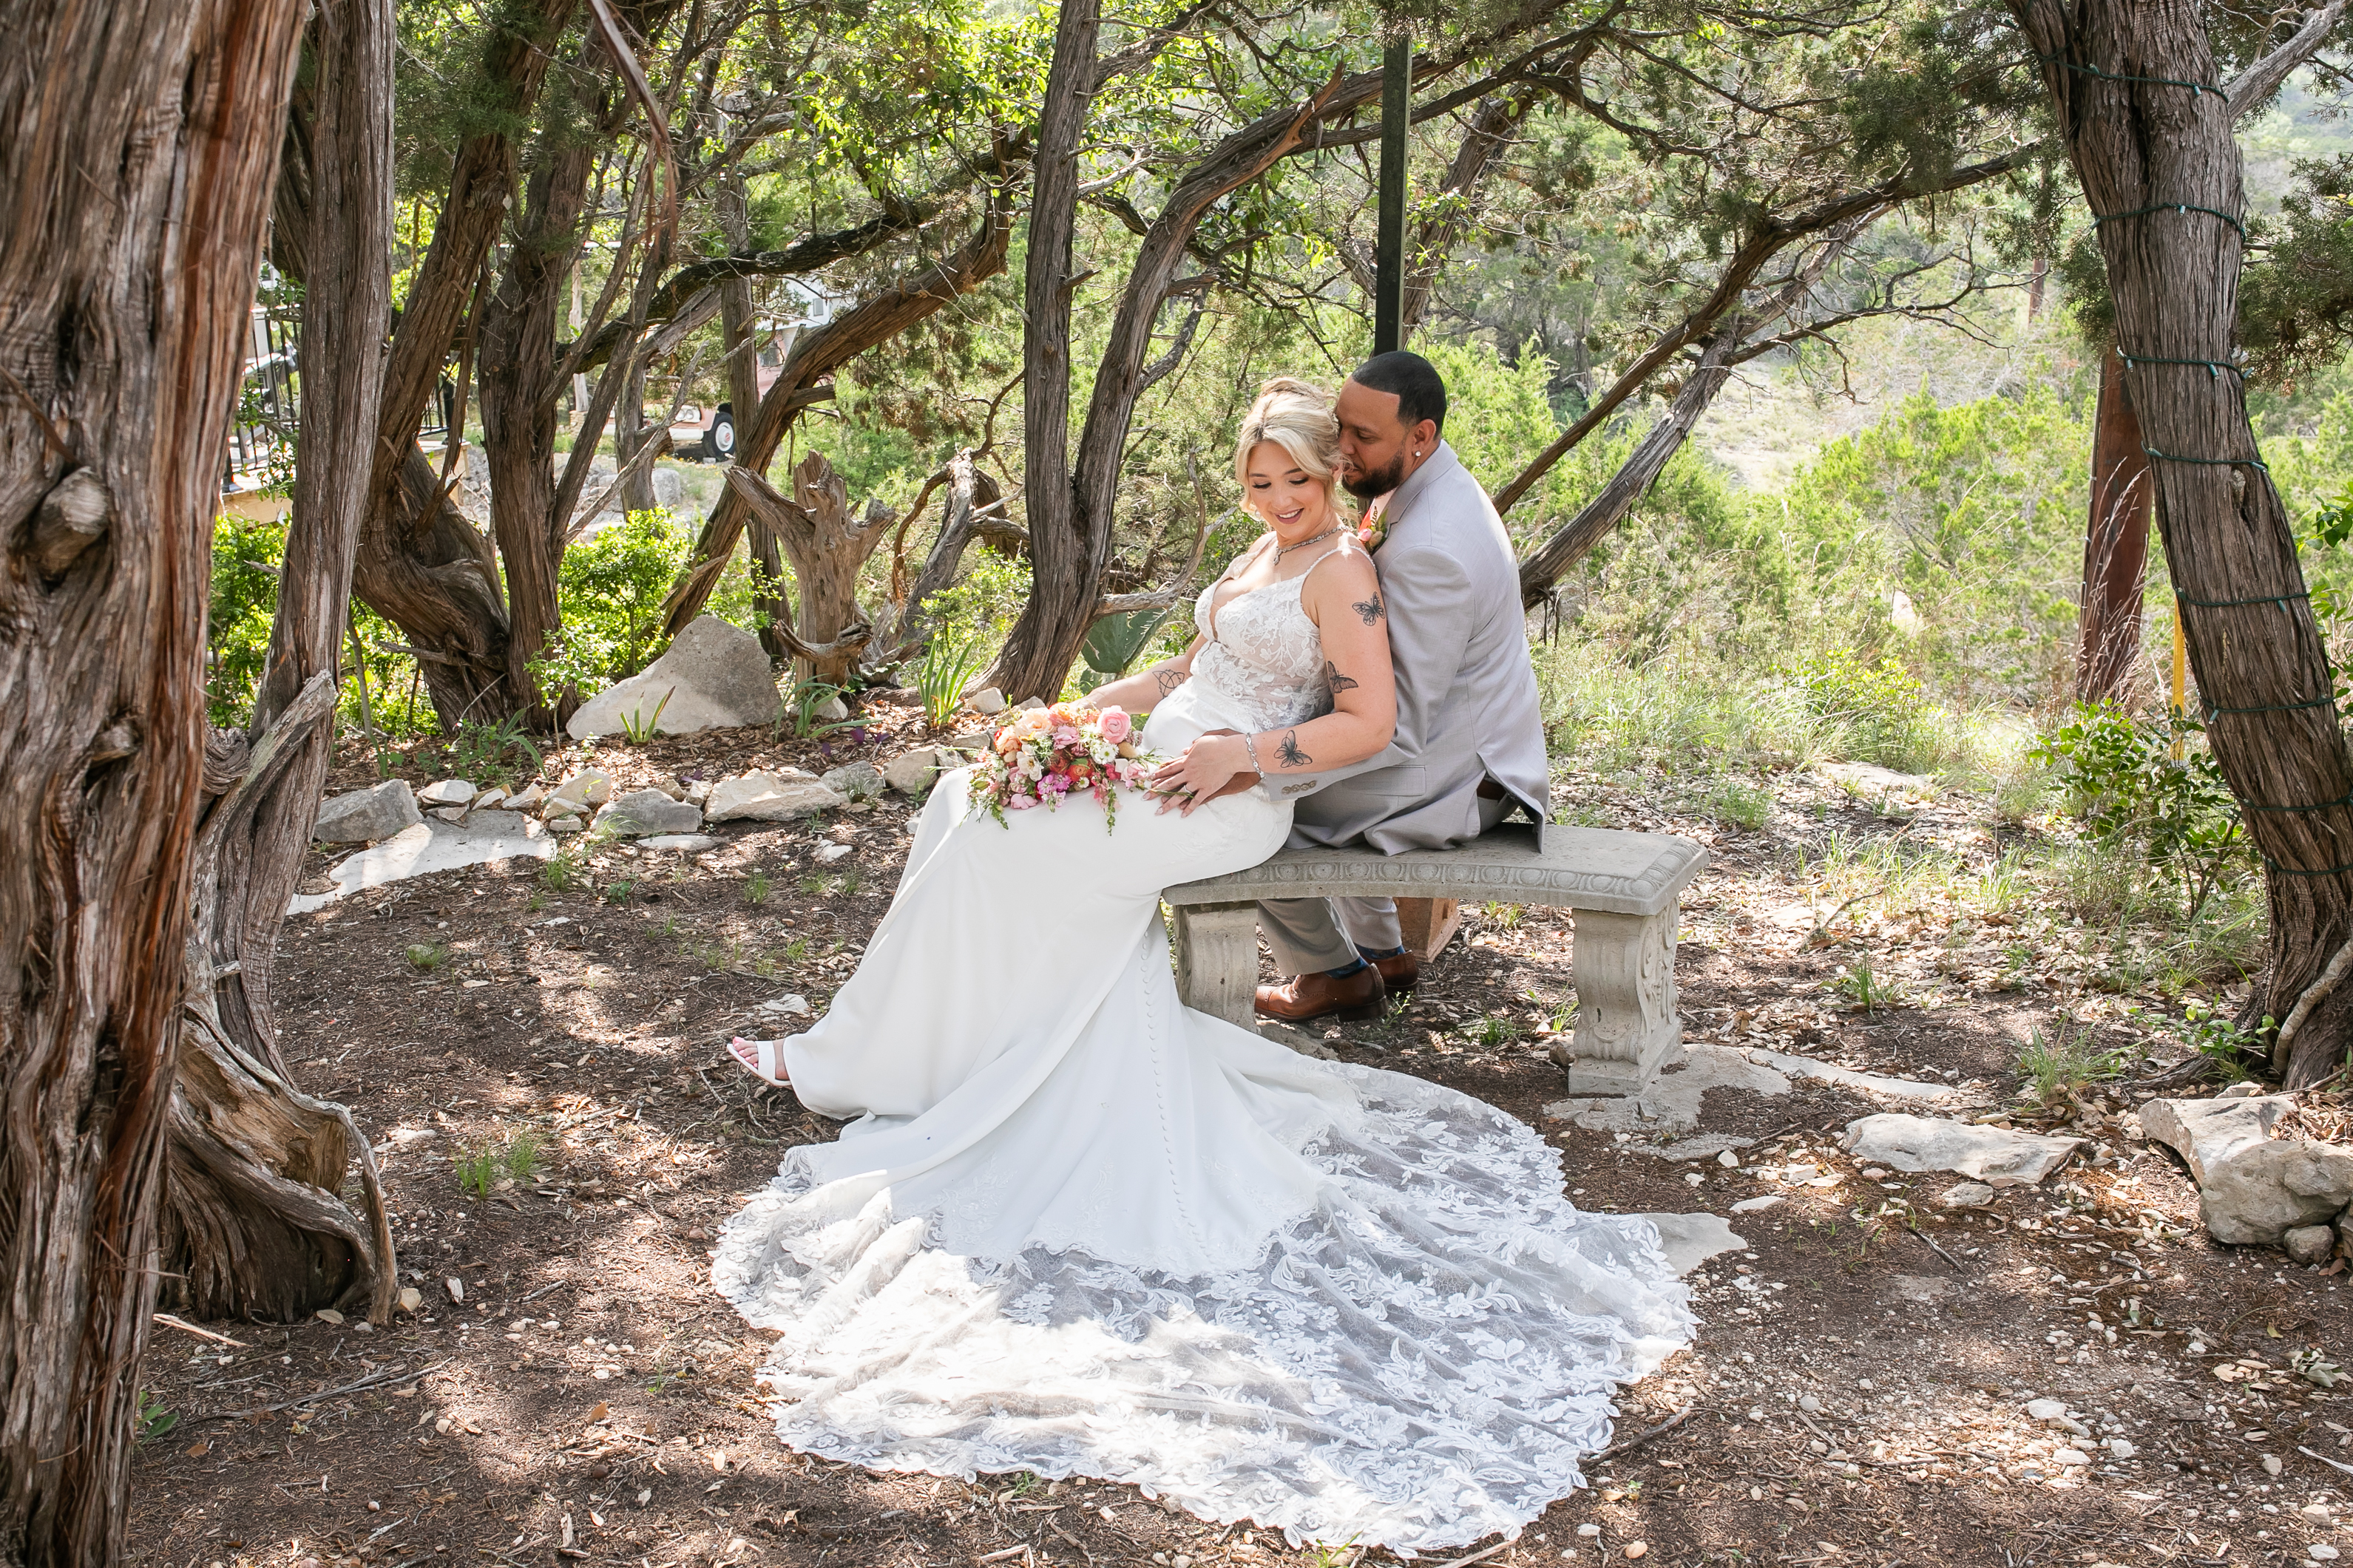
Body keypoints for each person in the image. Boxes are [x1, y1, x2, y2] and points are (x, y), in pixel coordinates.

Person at [718, 378, 1690, 1553]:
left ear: (1332, 477)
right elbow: (1180, 678)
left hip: (1230, 799)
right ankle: (944, 1050)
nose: (1277, 498)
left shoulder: (1343, 572)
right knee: (968, 801)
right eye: (1259, 481)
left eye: (1296, 479)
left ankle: (878, 1061)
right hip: (1163, 763)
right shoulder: (1253, 559)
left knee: (999, 848)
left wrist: (1244, 757)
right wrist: (1071, 719)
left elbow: (1364, 726)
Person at [1253, 350, 1552, 1023]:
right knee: (1297, 766)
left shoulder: (1432, 547)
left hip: (1451, 781)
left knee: (1247, 812)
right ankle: (1385, 953)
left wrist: (1259, 751)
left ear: (1421, 437)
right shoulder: (1430, 488)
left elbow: (1397, 727)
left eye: (1364, 437)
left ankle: (1331, 973)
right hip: (1464, 750)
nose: (1342, 450)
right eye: (1341, 428)